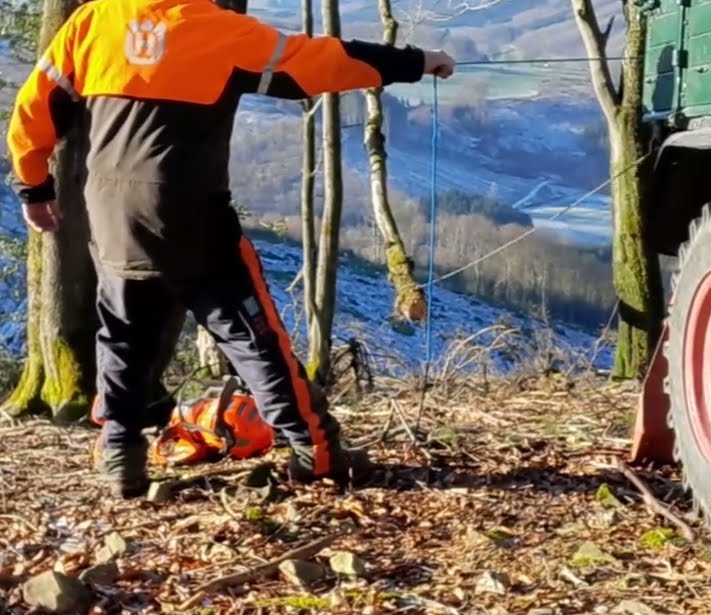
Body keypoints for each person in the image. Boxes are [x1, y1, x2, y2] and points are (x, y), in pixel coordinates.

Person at [6, 0, 456, 498]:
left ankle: (120, 457)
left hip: (111, 213)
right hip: (191, 215)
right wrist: (417, 61)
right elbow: (320, 61)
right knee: (252, 337)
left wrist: (34, 188)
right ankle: (317, 453)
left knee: (123, 336)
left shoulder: (93, 22)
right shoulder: (215, 29)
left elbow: (33, 109)